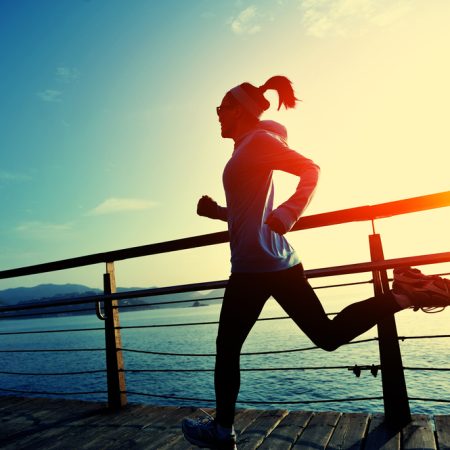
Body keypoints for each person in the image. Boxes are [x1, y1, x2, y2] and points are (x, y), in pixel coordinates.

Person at [181, 75, 450, 450]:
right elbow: (248, 213)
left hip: (256, 267)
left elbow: (312, 170)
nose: (218, 116)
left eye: (222, 108)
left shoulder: (258, 141)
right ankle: (404, 296)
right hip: (269, 262)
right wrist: (217, 214)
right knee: (324, 336)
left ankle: (222, 432)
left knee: (229, 348)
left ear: (239, 110)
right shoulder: (247, 146)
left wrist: (289, 212)